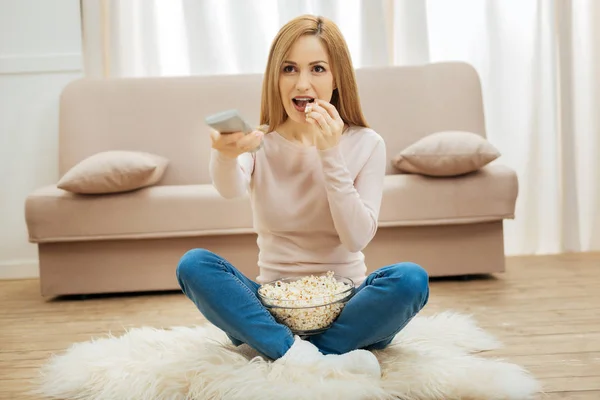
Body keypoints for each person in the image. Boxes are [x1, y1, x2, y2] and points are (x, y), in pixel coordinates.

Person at [176, 14, 429, 378]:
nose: (302, 82)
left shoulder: (366, 144)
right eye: (289, 68)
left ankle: (284, 352)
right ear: (275, 77)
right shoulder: (259, 140)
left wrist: (330, 153)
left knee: (411, 280)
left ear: (337, 77)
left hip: (347, 307)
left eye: (318, 69)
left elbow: (356, 237)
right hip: (270, 306)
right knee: (194, 265)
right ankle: (307, 355)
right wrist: (225, 154)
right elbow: (229, 189)